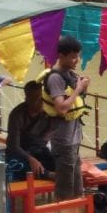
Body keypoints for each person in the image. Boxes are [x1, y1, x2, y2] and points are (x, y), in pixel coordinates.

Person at [43, 35, 90, 200]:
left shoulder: (70, 74)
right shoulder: (55, 78)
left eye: (78, 56)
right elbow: (62, 108)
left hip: (74, 138)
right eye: (73, 57)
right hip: (63, 140)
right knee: (64, 185)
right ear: (61, 56)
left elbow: (76, 101)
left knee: (77, 181)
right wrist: (78, 89)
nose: (77, 60)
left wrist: (83, 87)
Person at [5, 80, 54, 180]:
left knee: (58, 162)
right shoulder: (17, 114)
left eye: (42, 99)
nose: (41, 103)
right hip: (19, 151)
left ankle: (47, 173)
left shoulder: (48, 112)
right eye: (36, 99)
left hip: (39, 149)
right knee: (17, 166)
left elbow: (52, 135)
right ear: (27, 99)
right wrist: (30, 158)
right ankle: (48, 175)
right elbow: (14, 146)